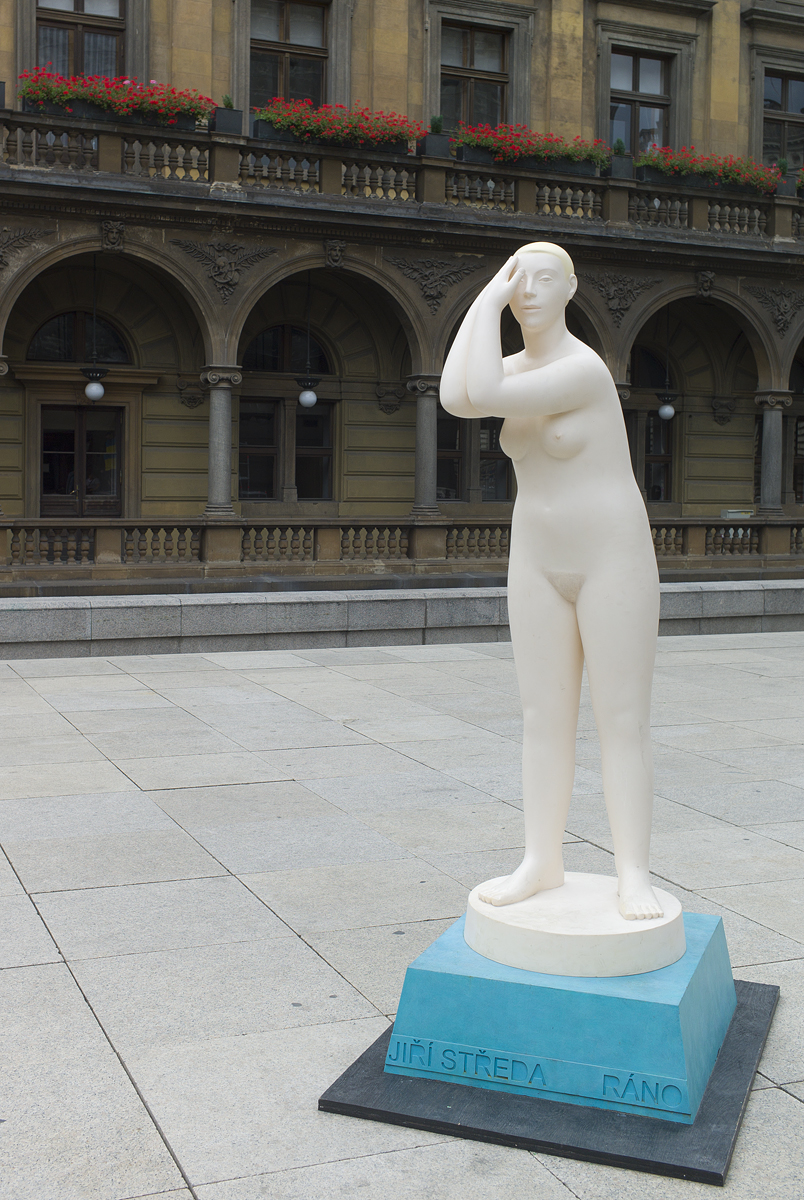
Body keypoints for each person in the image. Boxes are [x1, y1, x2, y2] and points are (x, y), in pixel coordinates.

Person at [440, 242, 663, 921]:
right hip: (536, 555)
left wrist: (490, 297)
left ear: (572, 289)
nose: (529, 291)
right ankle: (542, 860)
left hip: (610, 555)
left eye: (544, 279)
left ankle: (633, 872)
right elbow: (455, 395)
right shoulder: (508, 365)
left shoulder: (584, 370)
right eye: (520, 280)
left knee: (621, 720)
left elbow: (486, 394)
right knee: (542, 717)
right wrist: (488, 297)